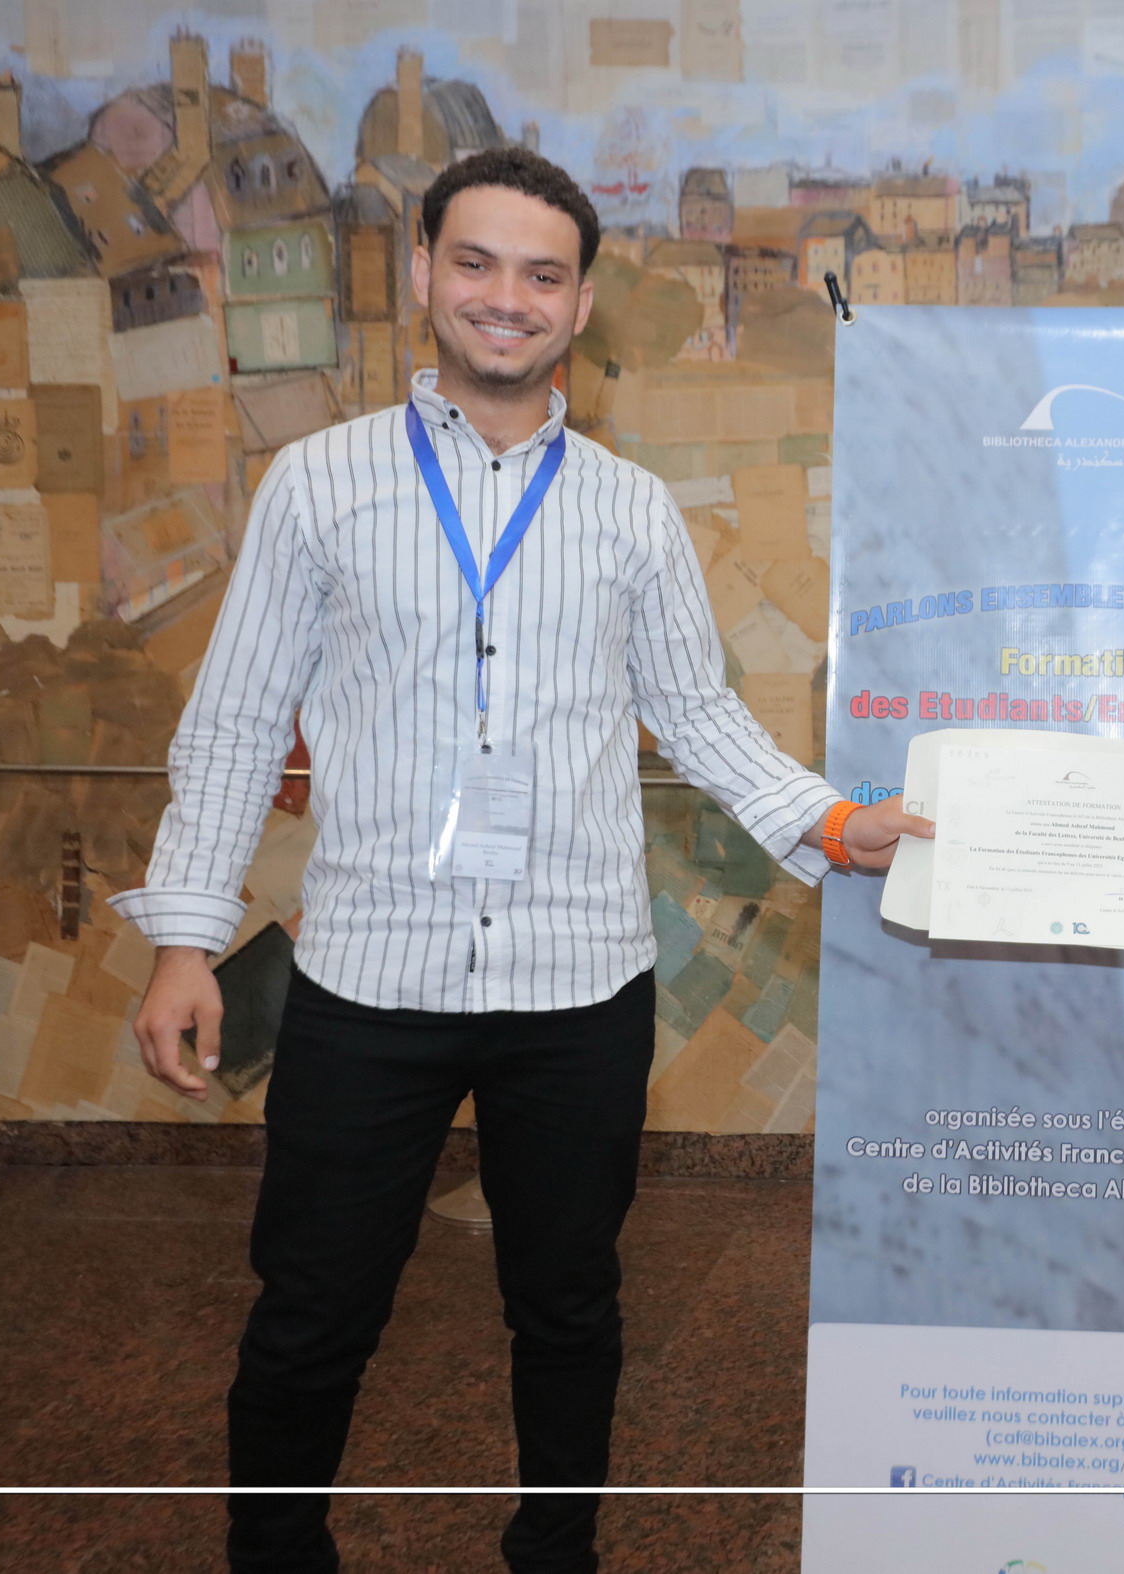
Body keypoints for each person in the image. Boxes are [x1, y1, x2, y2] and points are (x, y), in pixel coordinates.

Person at [113, 147, 928, 1573]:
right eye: (477, 262)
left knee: (568, 1305)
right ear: (426, 273)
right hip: (368, 979)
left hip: (577, 982)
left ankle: (555, 1551)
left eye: (542, 273)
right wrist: (186, 938)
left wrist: (828, 819)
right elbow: (237, 721)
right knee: (312, 1307)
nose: (508, 297)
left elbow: (696, 712)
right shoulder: (317, 486)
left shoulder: (630, 509)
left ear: (580, 302)